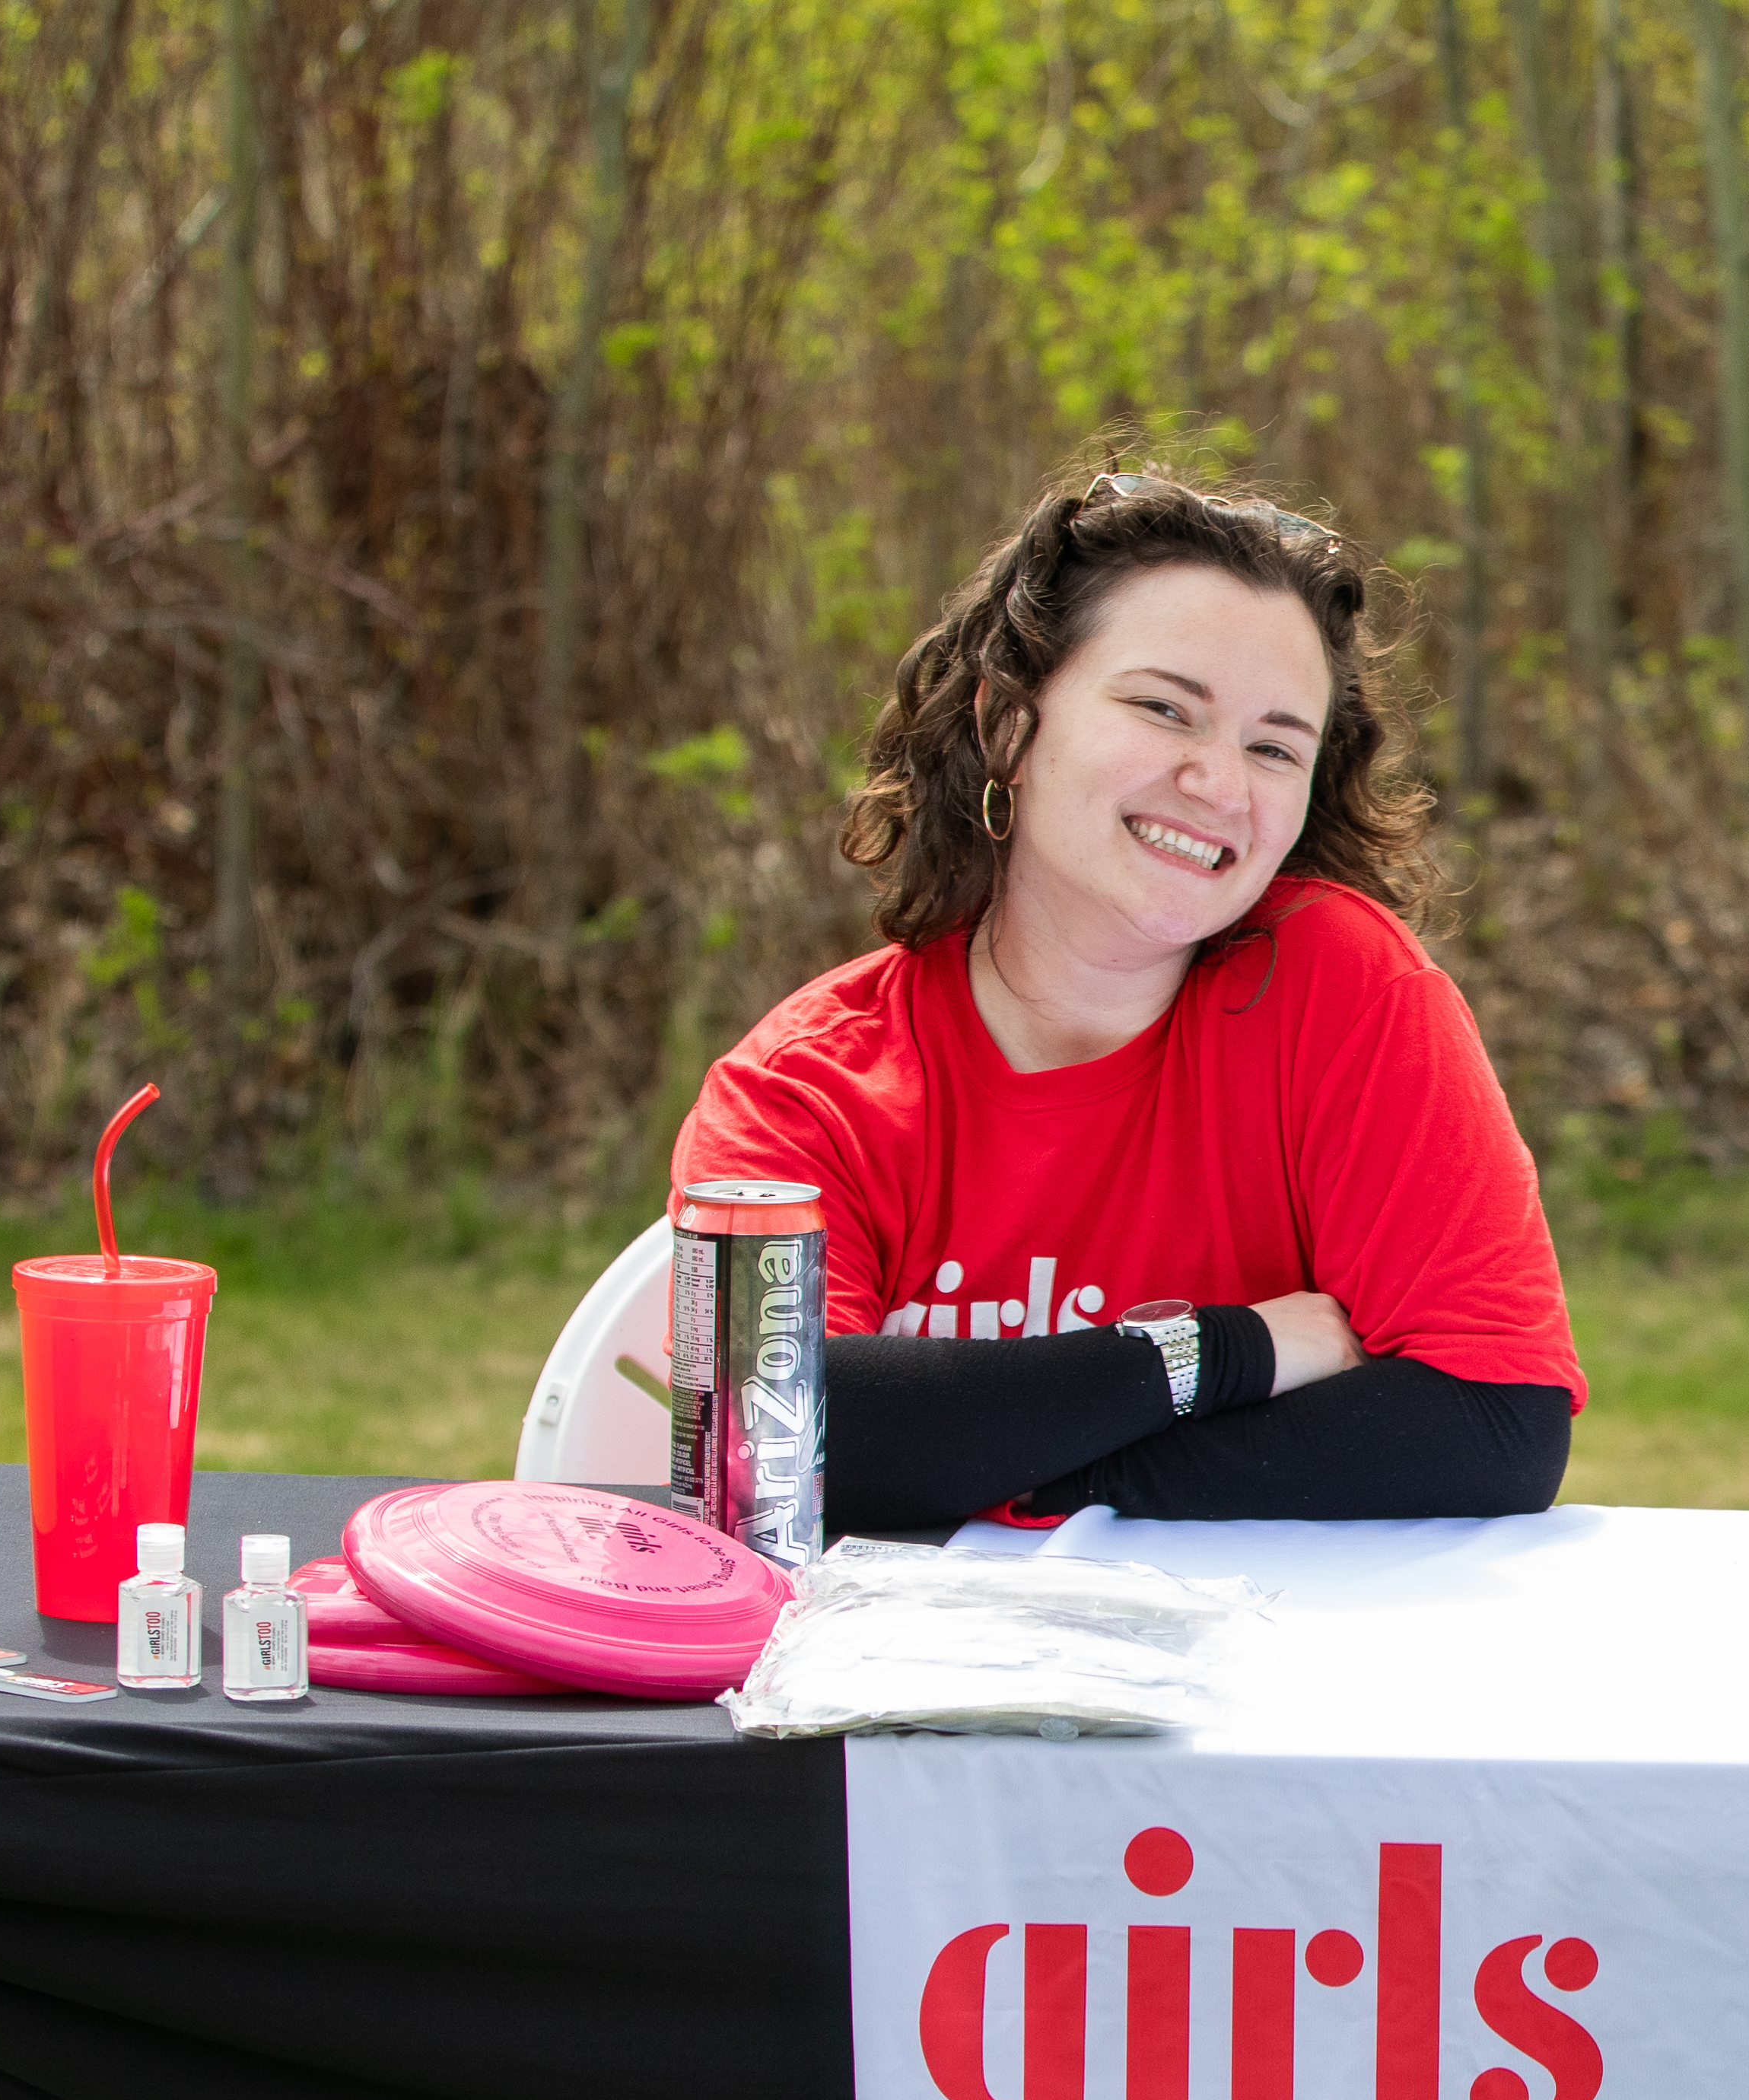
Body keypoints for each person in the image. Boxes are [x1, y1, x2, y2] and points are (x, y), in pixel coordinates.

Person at [671, 465, 1581, 1529]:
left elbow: (1497, 1425)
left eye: (1273, 747)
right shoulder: (808, 1086)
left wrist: (1040, 1473)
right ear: (1008, 722)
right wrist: (1239, 1350)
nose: (1220, 784)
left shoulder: (1342, 989)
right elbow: (769, 1445)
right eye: (1163, 709)